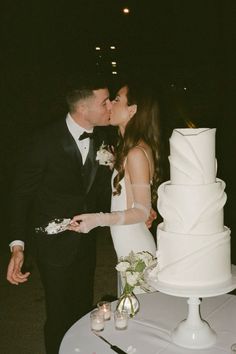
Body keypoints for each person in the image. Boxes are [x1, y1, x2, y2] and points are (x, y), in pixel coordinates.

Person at [6, 74, 114, 354]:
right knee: (58, 315)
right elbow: (20, 196)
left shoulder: (104, 138)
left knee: (82, 312)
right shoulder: (42, 141)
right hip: (53, 246)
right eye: (104, 102)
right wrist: (18, 247)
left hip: (86, 244)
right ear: (83, 108)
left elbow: (103, 191)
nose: (110, 106)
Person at [69, 80, 162, 294]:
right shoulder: (127, 148)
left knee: (140, 315)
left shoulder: (136, 153)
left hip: (136, 249)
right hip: (126, 245)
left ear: (132, 110)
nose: (111, 103)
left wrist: (97, 219)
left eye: (117, 99)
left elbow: (141, 211)